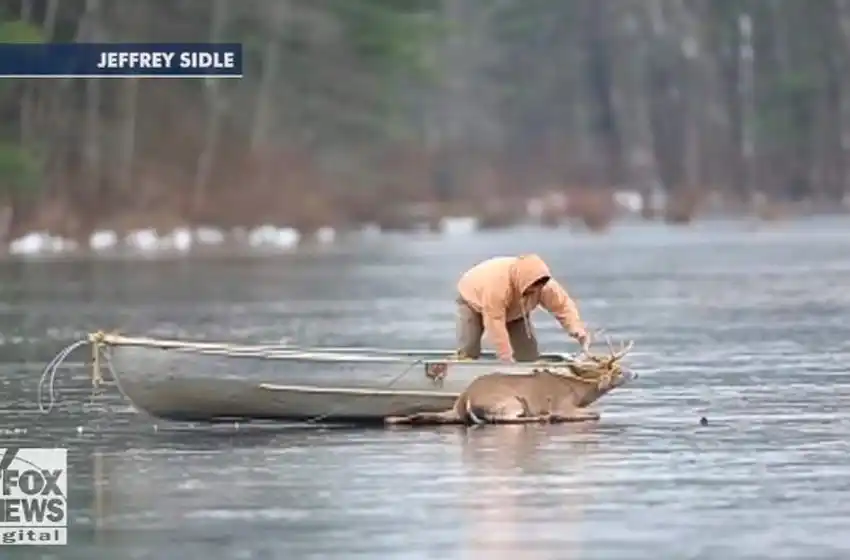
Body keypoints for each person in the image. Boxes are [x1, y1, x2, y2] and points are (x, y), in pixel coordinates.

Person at [455, 254, 589, 362]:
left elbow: (563, 307)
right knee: (469, 349)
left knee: (528, 355)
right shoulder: (498, 287)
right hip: (472, 299)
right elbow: (495, 323)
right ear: (521, 281)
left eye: (539, 288)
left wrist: (576, 329)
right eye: (531, 289)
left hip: (515, 310)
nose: (536, 291)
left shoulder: (545, 287)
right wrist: (506, 357)